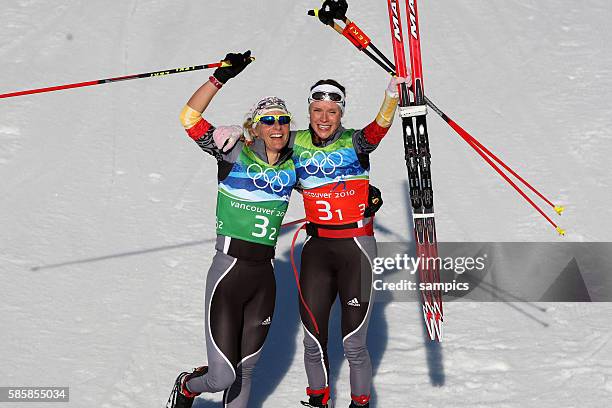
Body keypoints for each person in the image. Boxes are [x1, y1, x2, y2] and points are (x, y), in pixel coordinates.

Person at [166, 51, 296, 408]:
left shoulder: (293, 166)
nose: (277, 127)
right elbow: (189, 117)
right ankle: (188, 386)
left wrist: (364, 199)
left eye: (282, 120)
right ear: (255, 127)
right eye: (268, 120)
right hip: (229, 271)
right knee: (222, 375)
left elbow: (331, 180)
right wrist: (220, 77)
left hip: (264, 278)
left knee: (247, 370)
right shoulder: (232, 151)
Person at [293, 76, 407, 408]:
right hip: (317, 251)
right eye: (318, 110)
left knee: (353, 344)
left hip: (355, 249)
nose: (324, 118)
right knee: (312, 341)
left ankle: (360, 405)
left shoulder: (355, 143)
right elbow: (262, 148)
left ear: (341, 113)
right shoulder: (294, 142)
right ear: (310, 110)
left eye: (332, 110)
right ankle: (318, 401)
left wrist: (390, 97)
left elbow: (377, 131)